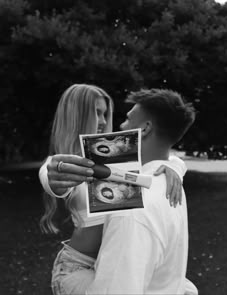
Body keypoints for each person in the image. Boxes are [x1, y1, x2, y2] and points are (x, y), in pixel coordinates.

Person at [39, 84, 188, 295]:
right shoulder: (62, 162)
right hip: (79, 265)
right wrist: (53, 179)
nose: (102, 121)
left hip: (114, 260)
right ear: (77, 114)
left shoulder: (117, 156)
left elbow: (164, 152)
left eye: (105, 113)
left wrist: (175, 166)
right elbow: (50, 175)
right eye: (96, 113)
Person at [84, 88, 198, 294]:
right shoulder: (169, 184)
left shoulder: (131, 208)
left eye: (128, 120)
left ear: (145, 128)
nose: (121, 126)